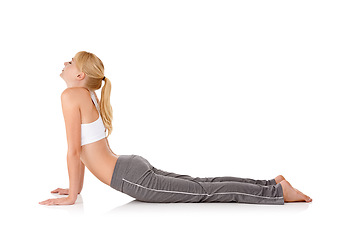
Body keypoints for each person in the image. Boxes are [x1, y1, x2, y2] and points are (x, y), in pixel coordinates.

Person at [39, 51, 312, 206]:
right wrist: (75, 189)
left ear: (80, 75)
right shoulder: (86, 96)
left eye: (70, 61)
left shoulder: (70, 96)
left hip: (130, 177)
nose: (65, 62)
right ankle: (270, 184)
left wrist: (73, 195)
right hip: (130, 166)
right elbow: (84, 152)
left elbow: (75, 151)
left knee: (203, 192)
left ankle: (276, 192)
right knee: (201, 184)